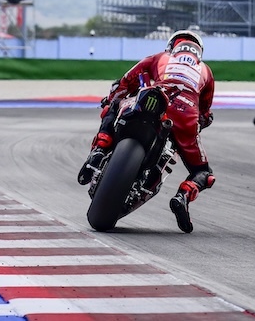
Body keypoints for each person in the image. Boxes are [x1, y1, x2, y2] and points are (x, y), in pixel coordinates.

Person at [77, 29, 215, 234]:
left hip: (156, 99)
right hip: (186, 115)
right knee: (204, 172)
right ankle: (182, 197)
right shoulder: (206, 71)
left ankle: (98, 150)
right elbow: (205, 113)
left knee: (113, 105)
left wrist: (111, 98)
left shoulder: (160, 57)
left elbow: (126, 80)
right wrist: (200, 124)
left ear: (172, 46)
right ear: (199, 53)